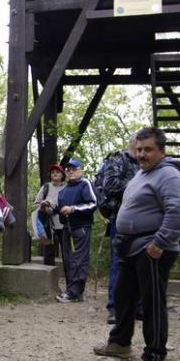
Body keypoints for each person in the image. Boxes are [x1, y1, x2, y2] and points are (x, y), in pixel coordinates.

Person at [93, 127, 180, 361]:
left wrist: (159, 243)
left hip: (151, 248)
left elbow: (178, 212)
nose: (142, 154)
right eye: (139, 149)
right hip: (130, 247)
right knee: (123, 296)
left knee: (152, 302)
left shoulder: (168, 175)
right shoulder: (142, 173)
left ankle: (156, 355)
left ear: (161, 151)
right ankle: (120, 343)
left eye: (148, 150)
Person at [98, 136, 139, 323]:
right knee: (119, 262)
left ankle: (138, 307)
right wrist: (141, 185)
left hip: (144, 220)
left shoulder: (146, 164)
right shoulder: (118, 160)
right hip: (120, 218)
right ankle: (115, 307)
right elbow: (110, 185)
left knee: (141, 263)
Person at [54, 159, 97, 303]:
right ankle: (72, 291)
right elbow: (59, 209)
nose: (71, 171)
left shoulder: (85, 184)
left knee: (79, 260)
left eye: (74, 169)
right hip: (66, 228)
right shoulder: (64, 190)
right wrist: (48, 208)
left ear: (81, 171)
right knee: (68, 260)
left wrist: (73, 209)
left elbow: (92, 204)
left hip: (81, 227)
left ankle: (74, 293)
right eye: (68, 170)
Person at [34, 164, 67, 266]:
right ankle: (48, 278)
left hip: (64, 223)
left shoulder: (67, 187)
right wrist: (43, 206)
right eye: (52, 172)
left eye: (57, 172)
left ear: (62, 175)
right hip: (48, 224)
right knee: (48, 252)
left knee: (67, 251)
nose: (55, 174)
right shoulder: (46, 187)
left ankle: (69, 277)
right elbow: (36, 204)